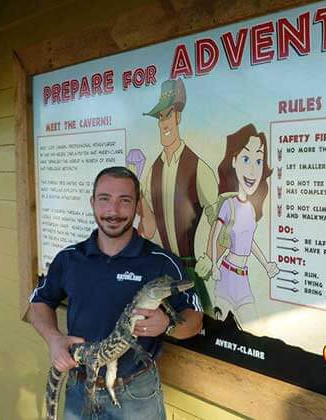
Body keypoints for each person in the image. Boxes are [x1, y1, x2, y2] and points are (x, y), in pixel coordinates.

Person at [28, 166, 203, 419]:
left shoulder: (162, 262)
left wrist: (167, 325)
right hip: (79, 388)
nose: (113, 211)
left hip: (137, 394)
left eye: (125, 200)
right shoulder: (68, 259)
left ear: (138, 205)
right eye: (105, 199)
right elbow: (38, 303)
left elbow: (195, 321)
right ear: (92, 202)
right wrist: (53, 338)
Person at [138, 78, 218, 314]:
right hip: (162, 275)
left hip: (190, 272)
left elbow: (221, 219)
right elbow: (149, 228)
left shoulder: (198, 167)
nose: (164, 123)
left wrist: (210, 257)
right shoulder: (152, 171)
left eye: (168, 115)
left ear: (178, 117)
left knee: (200, 325)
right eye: (160, 117)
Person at [209, 123, 279, 326]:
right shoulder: (228, 205)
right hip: (226, 275)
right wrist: (214, 265)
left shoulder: (250, 208)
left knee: (254, 327)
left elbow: (249, 242)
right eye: (246, 158)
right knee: (218, 328)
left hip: (243, 279)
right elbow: (214, 236)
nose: (252, 169)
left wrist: (266, 265)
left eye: (258, 160)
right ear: (234, 161)